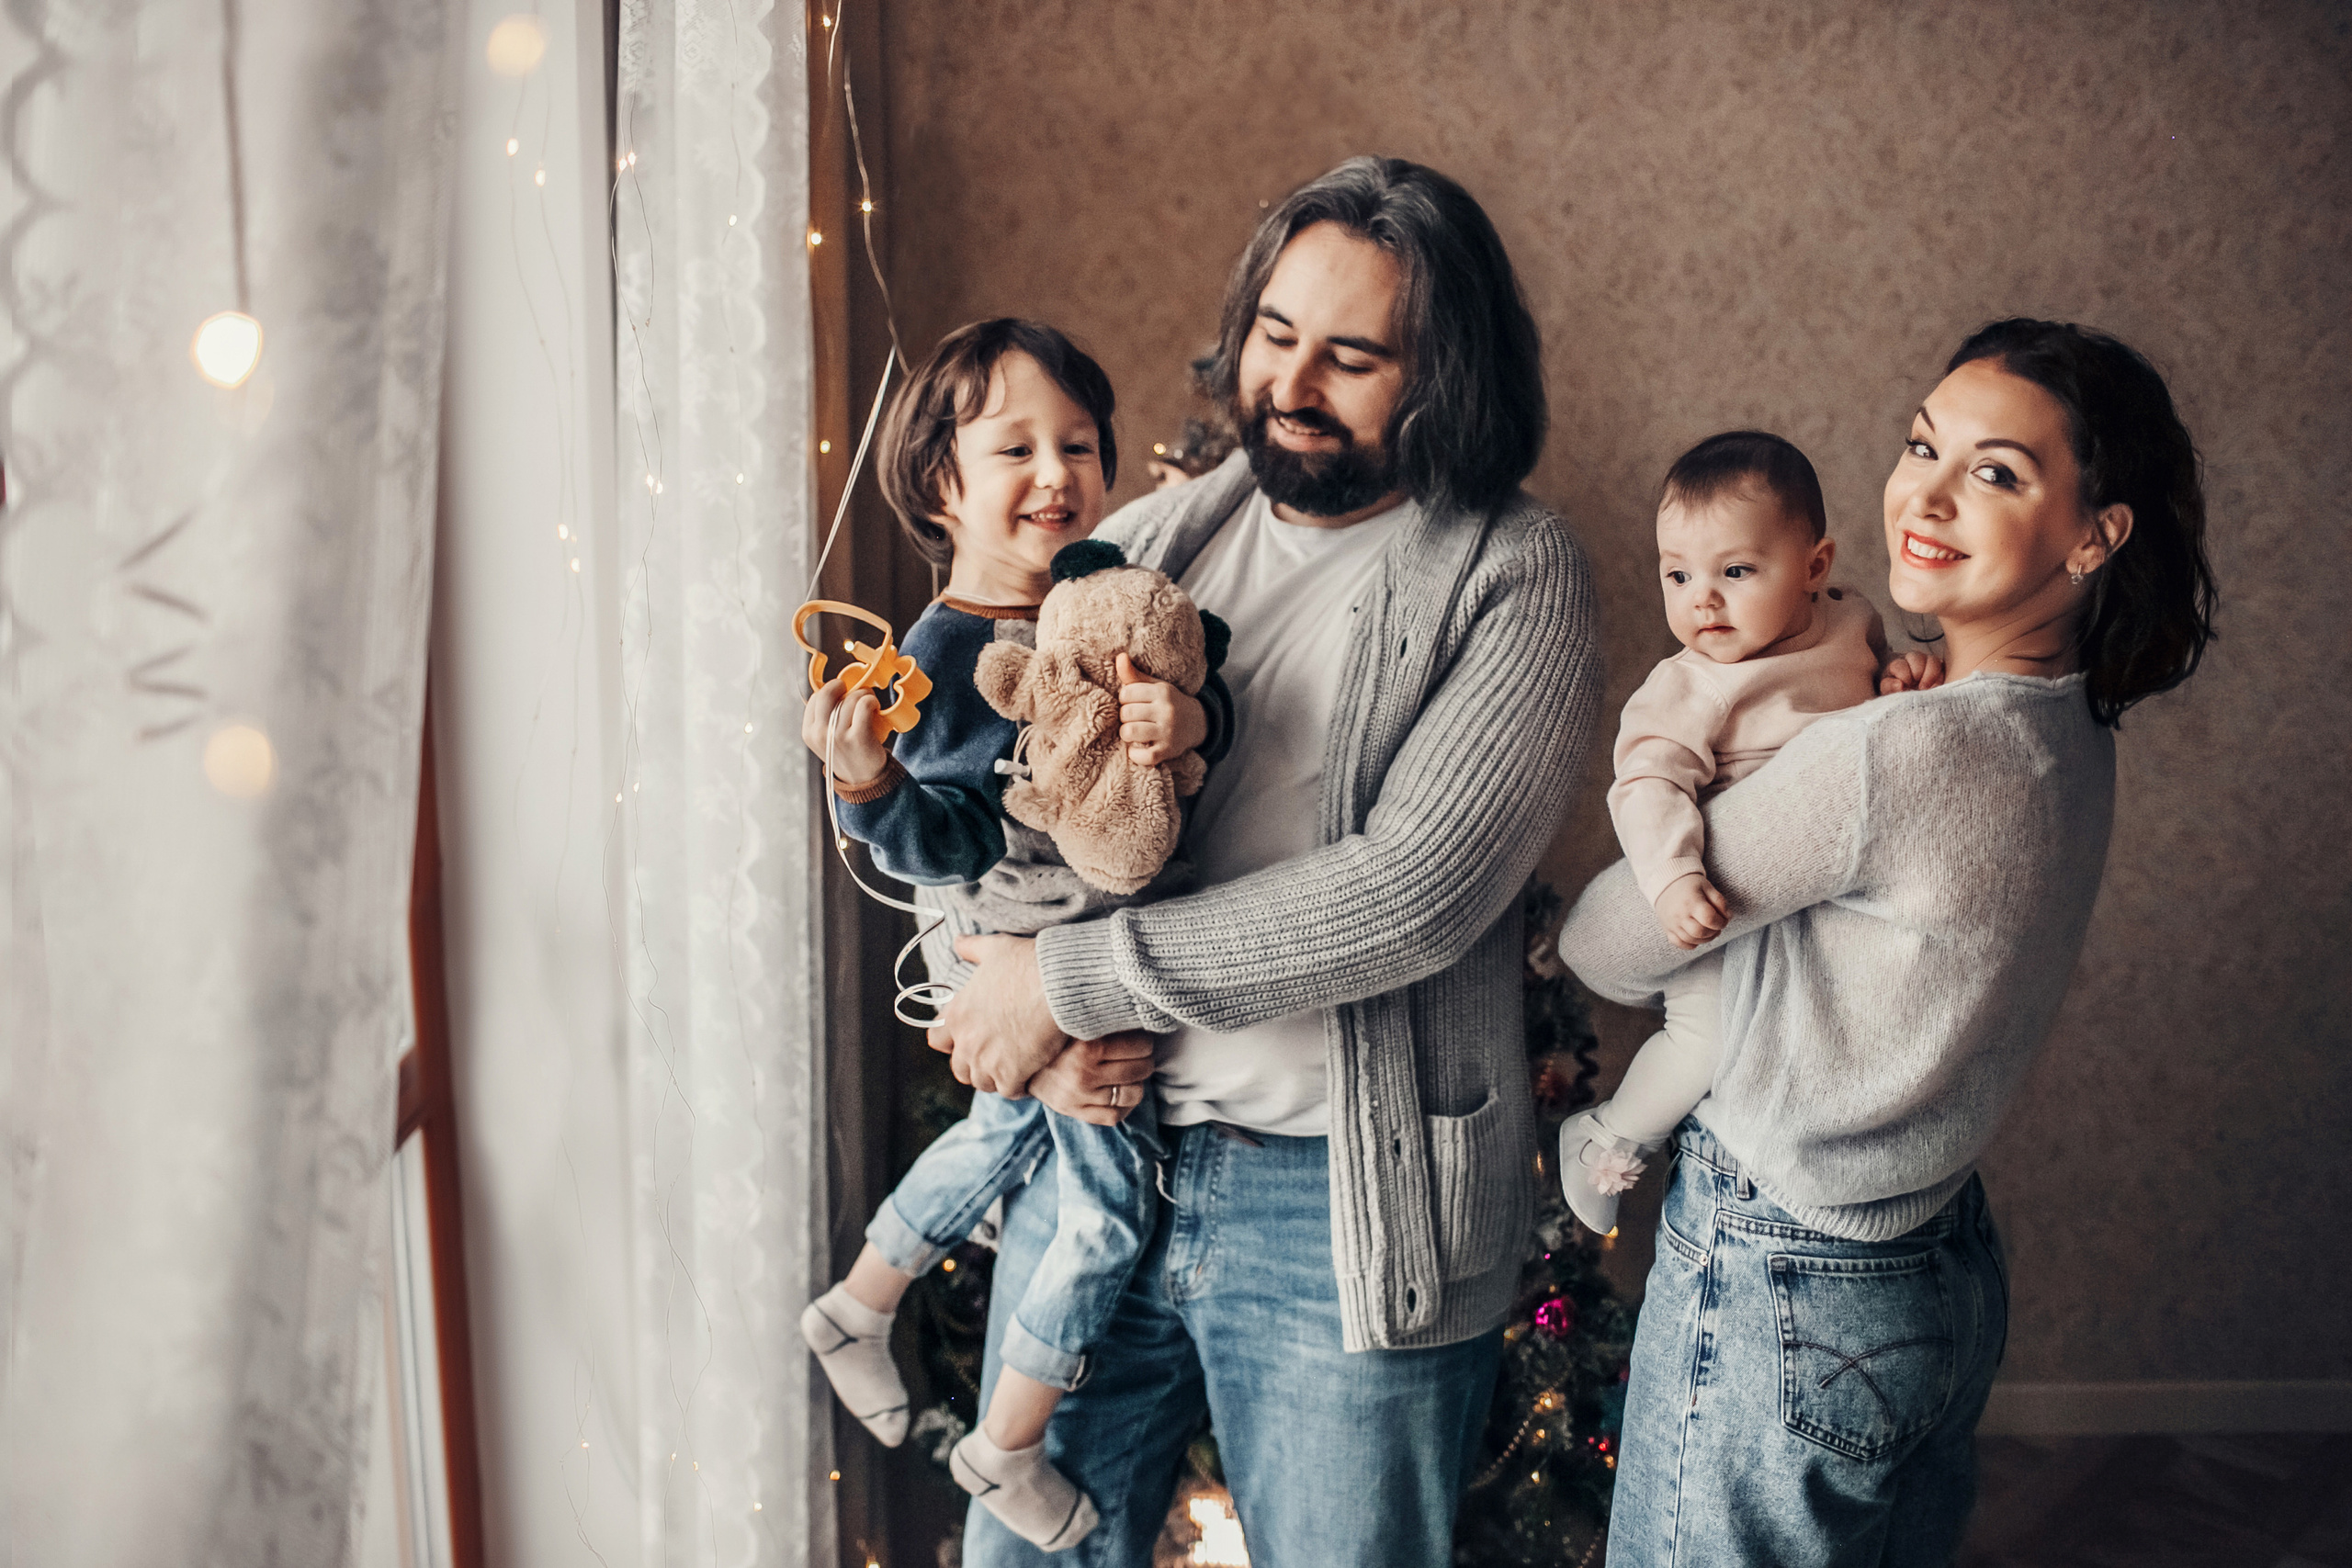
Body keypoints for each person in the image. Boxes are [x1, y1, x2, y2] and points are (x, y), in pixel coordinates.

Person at [925, 157, 1600, 1564]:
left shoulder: (1514, 569)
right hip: (1103, 1151)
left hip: (1337, 1203)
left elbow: (1413, 890)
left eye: (1351, 356)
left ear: (1446, 375)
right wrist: (1024, 1022)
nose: (1291, 380)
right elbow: (998, 805)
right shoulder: (1166, 531)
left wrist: (1077, 980)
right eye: (1276, 334)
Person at [1558, 319, 2217, 1565]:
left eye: (1998, 471)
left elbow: (1606, 943)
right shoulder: (2067, 729)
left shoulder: (1889, 752)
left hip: (1787, 1269)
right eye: (1925, 443)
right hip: (1938, 1267)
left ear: (2095, 533)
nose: (1926, 489)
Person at [795, 319, 1224, 1551]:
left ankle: (857, 1304)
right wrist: (871, 789)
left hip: (1077, 946)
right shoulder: (939, 655)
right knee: (1106, 1215)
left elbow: (1207, 680)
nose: (1057, 470)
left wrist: (1185, 708)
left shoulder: (1095, 585)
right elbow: (937, 848)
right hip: (1052, 962)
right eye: (1015, 448)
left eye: (1077, 442)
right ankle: (1007, 1445)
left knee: (996, 1141)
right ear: (943, 484)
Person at [1555, 430, 1942, 1236]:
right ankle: (1606, 1134)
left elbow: (1868, 703)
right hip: (1715, 899)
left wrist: (1899, 677)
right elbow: (1647, 782)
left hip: (1821, 890)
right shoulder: (1689, 683)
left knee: (1814, 1028)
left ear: (1814, 567)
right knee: (1707, 1041)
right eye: (1678, 574)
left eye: (1735, 571)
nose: (1702, 598)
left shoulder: (1853, 622)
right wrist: (1671, 879)